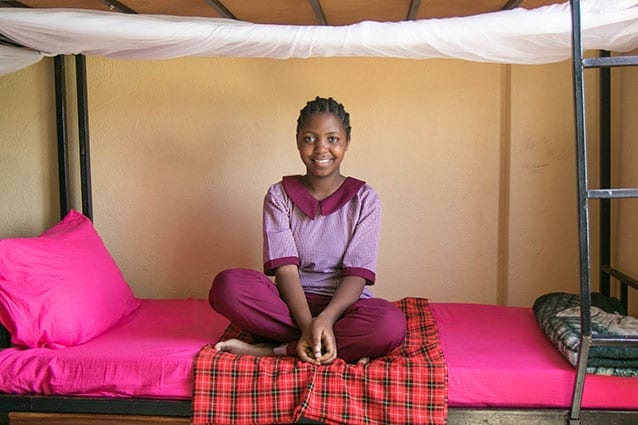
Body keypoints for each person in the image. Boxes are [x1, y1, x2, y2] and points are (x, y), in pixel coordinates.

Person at [209, 96, 406, 365]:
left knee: (390, 324)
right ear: (298, 141)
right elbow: (286, 269)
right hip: (289, 305)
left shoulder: (365, 199)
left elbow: (356, 275)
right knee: (227, 286)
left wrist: (325, 319)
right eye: (310, 139)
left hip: (344, 308)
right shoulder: (279, 195)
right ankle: (321, 342)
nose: (321, 149)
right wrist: (307, 325)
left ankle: (277, 350)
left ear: (347, 142)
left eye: (332, 139)